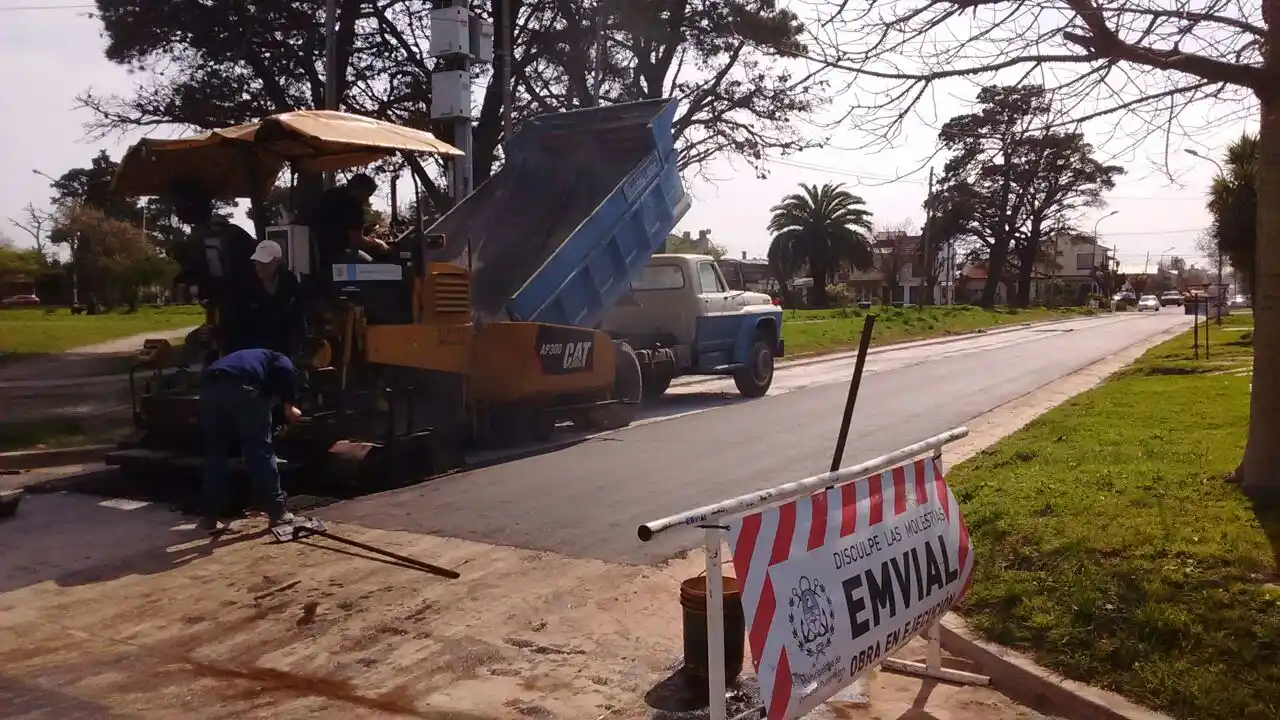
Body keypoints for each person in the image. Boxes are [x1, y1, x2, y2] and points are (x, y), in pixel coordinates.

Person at [198, 348, 303, 532]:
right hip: (242, 387)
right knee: (259, 450)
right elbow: (286, 374)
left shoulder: (249, 358)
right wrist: (290, 405)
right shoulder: (280, 357)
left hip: (209, 389)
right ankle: (277, 512)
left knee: (216, 452)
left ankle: (209, 517)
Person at [221, 239, 303, 357]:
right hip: (252, 350)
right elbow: (233, 320)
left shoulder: (289, 282)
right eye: (257, 262)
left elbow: (297, 315)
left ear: (277, 262)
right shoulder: (244, 285)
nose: (259, 266)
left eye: (264, 262)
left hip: (283, 349)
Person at [311, 173, 390, 277]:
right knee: (378, 271)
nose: (367, 200)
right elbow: (357, 242)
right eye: (368, 194)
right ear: (360, 190)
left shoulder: (329, 194)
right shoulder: (354, 206)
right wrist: (378, 243)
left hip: (316, 252)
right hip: (338, 254)